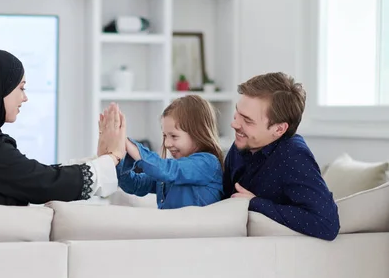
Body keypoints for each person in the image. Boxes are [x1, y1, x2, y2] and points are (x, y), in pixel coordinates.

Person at [0, 45, 126, 205]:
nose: (24, 98)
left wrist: (98, 161)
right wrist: (111, 159)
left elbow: (33, 175)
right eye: (20, 88)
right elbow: (46, 183)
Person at [223, 72, 340, 241]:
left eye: (247, 121)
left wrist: (255, 203)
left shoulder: (294, 157)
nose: (234, 124)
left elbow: (327, 224)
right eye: (237, 114)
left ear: (279, 129)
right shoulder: (243, 143)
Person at [106, 94, 224, 209]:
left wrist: (130, 145)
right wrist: (117, 158)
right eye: (164, 136)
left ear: (198, 134)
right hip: (170, 228)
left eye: (174, 136)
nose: (167, 144)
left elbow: (170, 170)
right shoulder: (167, 172)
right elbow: (135, 185)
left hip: (192, 229)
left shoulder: (208, 163)